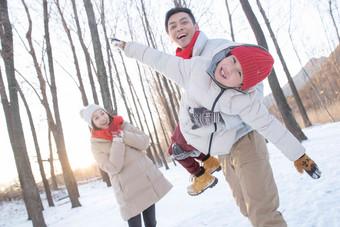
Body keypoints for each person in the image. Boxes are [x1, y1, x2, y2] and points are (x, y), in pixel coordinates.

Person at [111, 9, 321, 227]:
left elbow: (259, 101)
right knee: (245, 207)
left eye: (184, 22)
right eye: (173, 26)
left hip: (244, 138)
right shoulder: (191, 65)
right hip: (223, 148)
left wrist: (298, 155)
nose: (179, 28)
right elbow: (157, 59)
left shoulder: (220, 48)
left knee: (263, 212)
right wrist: (128, 47)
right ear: (169, 34)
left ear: (195, 25)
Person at [80, 104, 172, 227]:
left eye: (102, 113)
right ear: (93, 124)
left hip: (144, 182)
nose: (102, 118)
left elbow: (144, 142)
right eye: (96, 118)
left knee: (151, 224)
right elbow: (112, 168)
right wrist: (117, 140)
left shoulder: (123, 125)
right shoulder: (96, 145)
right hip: (128, 192)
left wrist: (123, 135)